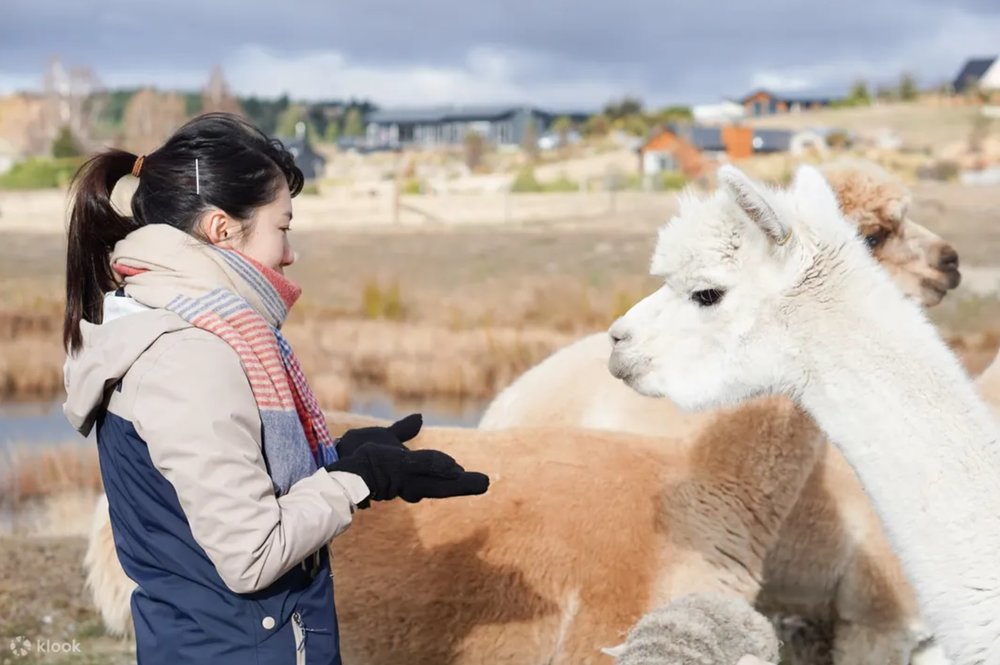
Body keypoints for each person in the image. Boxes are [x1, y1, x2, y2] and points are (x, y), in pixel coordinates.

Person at [61, 112, 489, 665]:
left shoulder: (152, 323)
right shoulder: (190, 357)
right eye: (282, 227)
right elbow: (252, 553)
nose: (290, 253)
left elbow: (207, 493)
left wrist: (337, 457)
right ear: (220, 229)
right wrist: (358, 479)